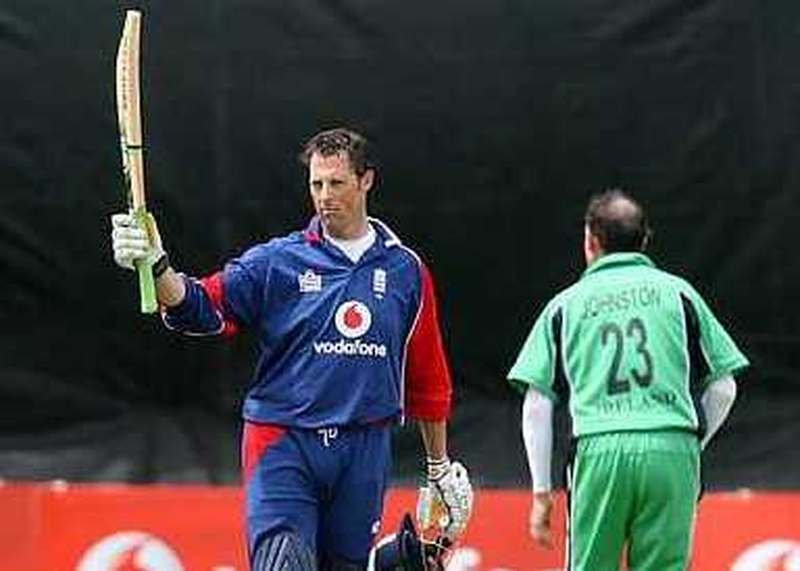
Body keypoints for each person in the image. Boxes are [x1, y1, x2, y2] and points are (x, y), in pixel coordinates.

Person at [110, 127, 473, 571]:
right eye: (316, 184)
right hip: (284, 440)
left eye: (336, 183)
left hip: (364, 448)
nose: (324, 196)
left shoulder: (406, 271)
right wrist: (157, 264)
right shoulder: (279, 261)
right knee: (285, 562)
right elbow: (201, 306)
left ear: (366, 181)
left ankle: (398, 558)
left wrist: (438, 467)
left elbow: (428, 380)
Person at [507, 189, 749, 571]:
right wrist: (690, 443)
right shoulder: (680, 293)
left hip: (599, 448)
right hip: (671, 446)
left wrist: (541, 493)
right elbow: (724, 387)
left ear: (590, 241)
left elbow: (536, 403)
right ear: (645, 239)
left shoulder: (564, 306)